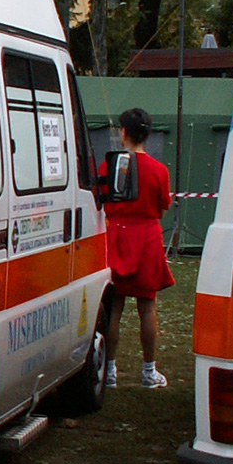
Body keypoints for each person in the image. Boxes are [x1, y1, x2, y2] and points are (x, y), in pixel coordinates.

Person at [100, 107, 175, 389]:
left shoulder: (108, 166)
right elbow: (162, 209)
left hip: (117, 237)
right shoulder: (159, 170)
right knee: (147, 306)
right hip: (147, 240)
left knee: (113, 307)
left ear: (124, 132)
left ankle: (108, 371)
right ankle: (148, 371)